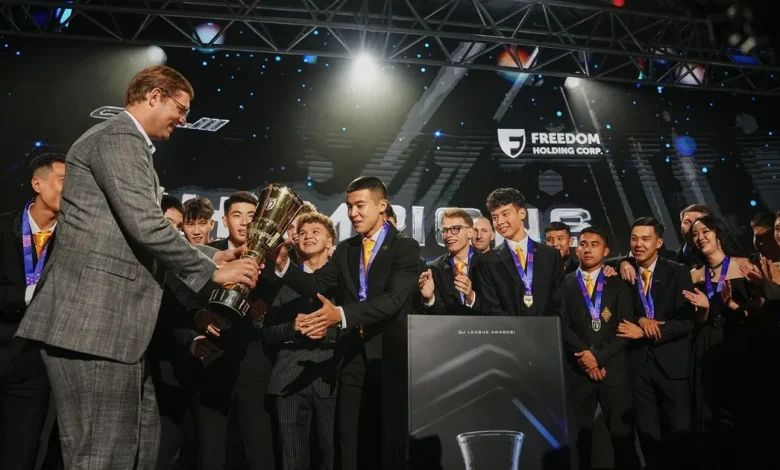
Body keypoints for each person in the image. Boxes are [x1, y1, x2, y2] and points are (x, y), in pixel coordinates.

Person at [15, 65, 260, 469]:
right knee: (101, 454)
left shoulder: (126, 142)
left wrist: (213, 255)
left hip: (114, 331)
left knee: (140, 449)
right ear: (155, 95)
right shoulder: (119, 138)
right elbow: (145, 224)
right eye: (180, 108)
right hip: (93, 325)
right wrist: (213, 272)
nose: (184, 119)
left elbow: (130, 232)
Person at [271, 176, 420, 470]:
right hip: (352, 357)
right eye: (349, 206)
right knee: (347, 440)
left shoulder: (405, 247)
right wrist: (283, 264)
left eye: (360, 206)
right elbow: (315, 284)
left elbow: (392, 301)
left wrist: (340, 315)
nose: (353, 213)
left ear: (382, 205)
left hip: (390, 357)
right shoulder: (347, 249)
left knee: (388, 439)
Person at [0, 153, 65, 470]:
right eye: (64, 181)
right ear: (37, 184)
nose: (72, 189)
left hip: (37, 364)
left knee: (22, 453)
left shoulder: (73, 239)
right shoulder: (3, 227)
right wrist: (27, 295)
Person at [615, 217, 694, 470]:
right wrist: (621, 261)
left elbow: (687, 321)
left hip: (672, 365)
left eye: (645, 239)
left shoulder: (677, 271)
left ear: (659, 242)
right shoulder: (624, 272)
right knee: (647, 434)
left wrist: (647, 331)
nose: (638, 244)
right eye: (634, 239)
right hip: (637, 366)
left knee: (679, 434)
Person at [264, 212, 340, 470]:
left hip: (330, 379)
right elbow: (266, 333)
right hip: (288, 380)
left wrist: (327, 332)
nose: (308, 236)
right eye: (303, 233)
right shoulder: (280, 281)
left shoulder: (343, 282)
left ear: (330, 241)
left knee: (332, 456)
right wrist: (292, 328)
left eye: (316, 232)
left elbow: (355, 326)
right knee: (292, 459)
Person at [559, 228, 639, 470]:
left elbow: (626, 329)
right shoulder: (564, 284)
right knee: (578, 442)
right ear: (576, 249)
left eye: (595, 244)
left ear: (606, 251)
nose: (588, 249)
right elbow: (561, 324)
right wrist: (586, 358)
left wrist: (598, 358)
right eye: (583, 244)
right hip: (578, 372)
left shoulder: (619, 284)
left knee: (623, 439)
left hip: (613, 373)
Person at [681, 215, 753, 469]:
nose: (700, 238)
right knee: (709, 409)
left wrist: (731, 304)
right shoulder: (694, 275)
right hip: (706, 343)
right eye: (695, 235)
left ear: (718, 233)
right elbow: (695, 321)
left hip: (740, 341)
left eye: (705, 231)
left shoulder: (745, 265)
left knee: (742, 408)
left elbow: (756, 313)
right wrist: (704, 310)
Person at [474, 188, 564, 316]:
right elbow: (491, 308)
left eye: (505, 214)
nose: (500, 222)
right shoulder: (487, 261)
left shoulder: (550, 255)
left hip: (546, 328)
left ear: (522, 213)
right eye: (495, 217)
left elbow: (560, 303)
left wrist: (547, 327)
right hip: (507, 329)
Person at [418, 208, 483, 315]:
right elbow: (437, 315)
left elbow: (494, 309)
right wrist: (430, 299)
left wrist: (472, 297)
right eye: (445, 230)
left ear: (470, 232)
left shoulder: (488, 264)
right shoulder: (434, 269)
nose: (448, 235)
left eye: (455, 228)